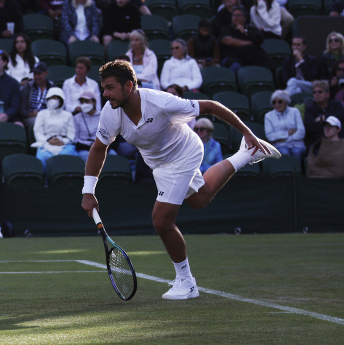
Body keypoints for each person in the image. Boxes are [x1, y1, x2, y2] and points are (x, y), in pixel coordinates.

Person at [81, 60, 281, 300]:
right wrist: (88, 191)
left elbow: (211, 106)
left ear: (129, 86)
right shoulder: (110, 113)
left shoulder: (161, 102)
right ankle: (246, 154)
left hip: (185, 152)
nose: (105, 94)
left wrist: (247, 132)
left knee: (161, 220)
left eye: (110, 88)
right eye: (103, 88)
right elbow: (98, 149)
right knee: (200, 198)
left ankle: (187, 282)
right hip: (160, 165)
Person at [218, 6, 275, 75]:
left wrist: (245, 32)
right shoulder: (227, 28)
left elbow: (260, 40)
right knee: (235, 66)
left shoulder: (250, 28)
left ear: (244, 18)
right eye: (234, 15)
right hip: (232, 57)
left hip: (250, 56)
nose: (235, 18)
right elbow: (228, 41)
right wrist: (250, 43)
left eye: (238, 16)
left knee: (267, 63)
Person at [32, 87, 77, 170]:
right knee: (42, 157)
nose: (53, 100)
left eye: (56, 98)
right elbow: (38, 132)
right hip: (45, 144)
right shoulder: (42, 114)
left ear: (61, 99)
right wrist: (48, 141)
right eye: (51, 98)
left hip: (64, 145)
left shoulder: (68, 115)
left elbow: (71, 134)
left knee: (67, 154)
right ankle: (46, 181)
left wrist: (62, 141)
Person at [264, 90, 306, 163]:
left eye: (280, 101)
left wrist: (282, 138)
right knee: (285, 152)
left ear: (286, 102)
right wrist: (287, 133)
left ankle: (298, 172)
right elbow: (270, 136)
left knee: (297, 152)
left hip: (297, 145)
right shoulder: (268, 116)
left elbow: (301, 132)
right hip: (280, 146)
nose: (277, 104)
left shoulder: (295, 111)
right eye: (274, 102)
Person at [304, 80, 344, 148]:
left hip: (338, 141)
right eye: (314, 92)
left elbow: (342, 116)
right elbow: (309, 126)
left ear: (328, 94)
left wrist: (322, 118)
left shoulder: (336, 104)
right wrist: (331, 124)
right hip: (317, 142)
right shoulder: (310, 109)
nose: (317, 94)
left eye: (320, 92)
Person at [19, 61, 54, 128]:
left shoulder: (52, 88)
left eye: (39, 74)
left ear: (46, 73)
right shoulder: (27, 88)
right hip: (31, 117)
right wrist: (31, 114)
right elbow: (21, 109)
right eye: (35, 74)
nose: (36, 77)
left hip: (49, 116)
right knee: (38, 122)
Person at [74, 91, 101, 161]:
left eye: (87, 101)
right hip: (84, 147)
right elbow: (75, 138)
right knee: (87, 156)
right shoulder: (77, 117)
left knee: (113, 155)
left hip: (101, 146)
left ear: (94, 102)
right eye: (82, 102)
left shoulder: (103, 116)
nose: (84, 104)